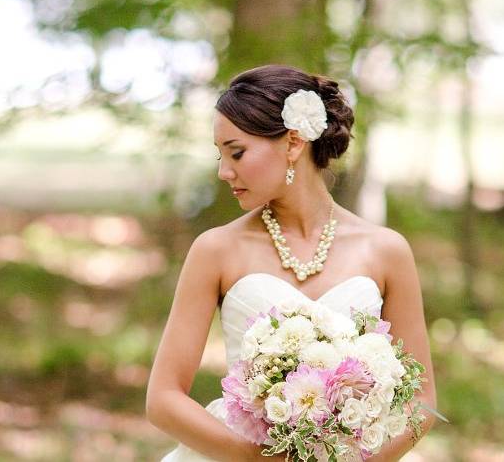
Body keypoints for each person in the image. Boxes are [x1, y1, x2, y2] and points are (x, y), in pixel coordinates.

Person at [146, 64, 437, 462]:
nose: (223, 171)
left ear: (294, 143)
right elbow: (163, 399)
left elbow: (420, 403)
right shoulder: (215, 250)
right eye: (220, 155)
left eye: (237, 152)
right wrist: (265, 458)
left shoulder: (387, 251)